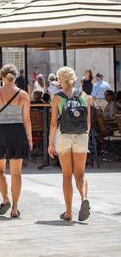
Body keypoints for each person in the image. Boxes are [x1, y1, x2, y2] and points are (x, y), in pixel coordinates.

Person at [0, 64, 32, 219]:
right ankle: (15, 208)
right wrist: (29, 138)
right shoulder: (23, 94)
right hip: (17, 132)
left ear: (2, 77)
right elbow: (27, 120)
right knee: (16, 173)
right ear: (15, 76)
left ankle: (5, 199)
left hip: (0, 132)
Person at [48, 67, 91, 222]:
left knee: (67, 175)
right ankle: (84, 197)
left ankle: (68, 212)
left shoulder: (57, 98)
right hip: (81, 136)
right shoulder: (84, 95)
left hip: (64, 136)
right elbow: (88, 122)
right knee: (80, 174)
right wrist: (83, 136)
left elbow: (53, 123)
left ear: (60, 80)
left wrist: (50, 143)